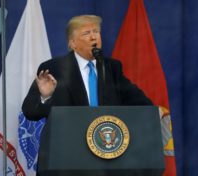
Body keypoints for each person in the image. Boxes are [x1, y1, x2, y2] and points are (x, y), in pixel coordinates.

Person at [22, 15, 152, 121]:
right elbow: (30, 112)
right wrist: (45, 97)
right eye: (86, 33)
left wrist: (156, 112)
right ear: (72, 43)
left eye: (96, 31)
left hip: (105, 144)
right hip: (68, 146)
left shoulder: (112, 68)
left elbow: (142, 103)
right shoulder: (53, 69)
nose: (93, 37)